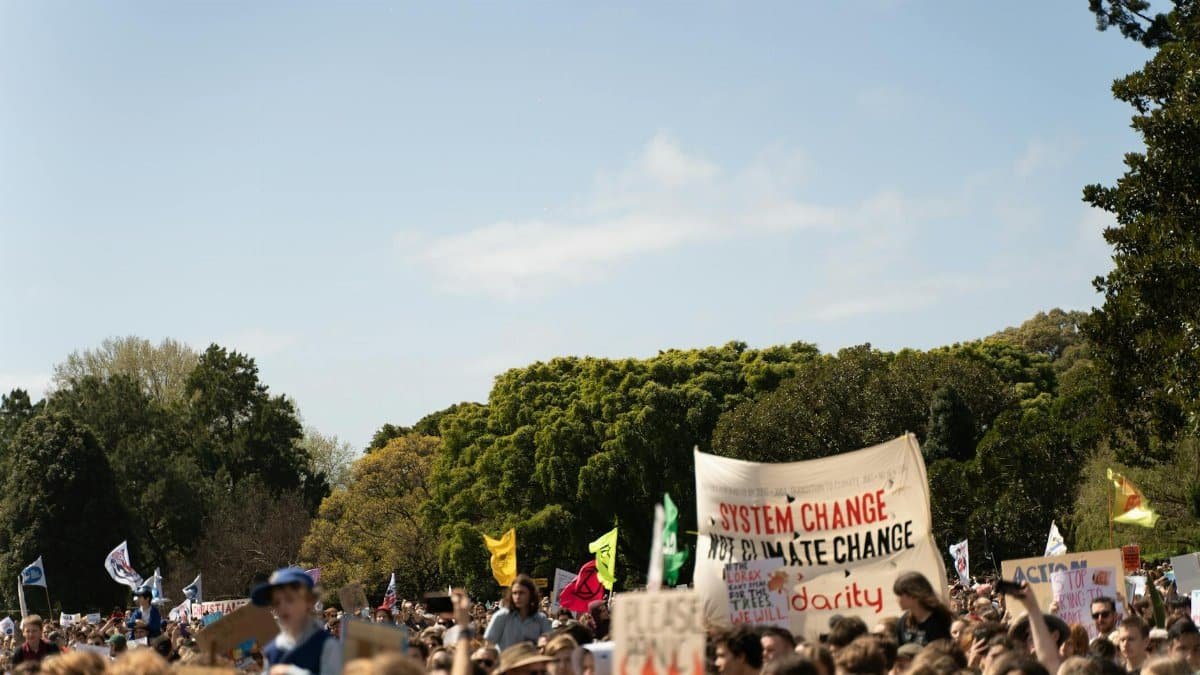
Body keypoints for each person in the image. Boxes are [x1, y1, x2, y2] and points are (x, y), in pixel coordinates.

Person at [251, 566, 343, 674]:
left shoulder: (327, 645)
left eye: (290, 599)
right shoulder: (271, 649)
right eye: (276, 602)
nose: (282, 607)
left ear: (309, 601)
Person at [484, 575, 552, 651]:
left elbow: (549, 644)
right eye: (514, 593)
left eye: (521, 593)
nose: (517, 597)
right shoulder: (501, 616)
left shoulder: (541, 619)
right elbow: (489, 645)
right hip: (506, 661)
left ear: (531, 594)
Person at [893, 572, 954, 647]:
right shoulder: (903, 623)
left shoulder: (940, 621)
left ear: (913, 595)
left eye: (900, 595)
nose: (897, 600)